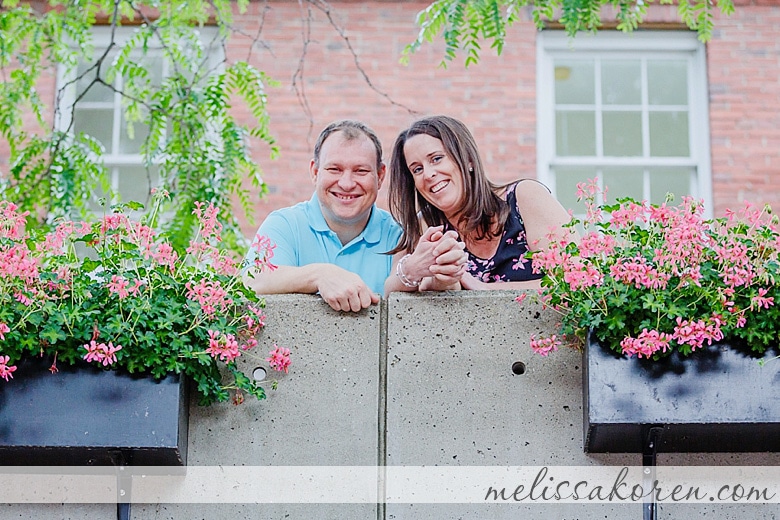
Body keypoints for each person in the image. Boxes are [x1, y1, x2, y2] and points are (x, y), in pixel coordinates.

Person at [384, 115, 573, 293]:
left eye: (436, 159)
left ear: (468, 160)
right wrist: (422, 273)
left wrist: (484, 289)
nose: (428, 174)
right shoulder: (426, 224)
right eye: (417, 169)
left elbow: (577, 280)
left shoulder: (525, 198)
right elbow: (390, 288)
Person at [243, 120, 403, 312]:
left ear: (380, 176)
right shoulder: (285, 225)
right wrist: (320, 275)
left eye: (361, 171)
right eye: (334, 169)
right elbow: (250, 281)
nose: (346, 183)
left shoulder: (398, 237)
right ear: (315, 172)